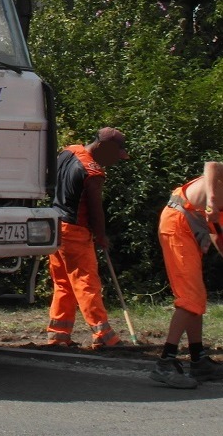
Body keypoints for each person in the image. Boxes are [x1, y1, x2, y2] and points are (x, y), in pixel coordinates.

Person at [45, 127, 128, 348]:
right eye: (114, 156)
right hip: (75, 231)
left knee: (63, 283)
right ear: (102, 147)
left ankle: (58, 335)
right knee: (86, 283)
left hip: (54, 226)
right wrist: (101, 236)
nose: (114, 161)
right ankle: (103, 335)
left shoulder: (67, 152)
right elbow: (95, 209)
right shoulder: (92, 173)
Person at [148, 160, 223, 388]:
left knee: (197, 296)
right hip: (178, 221)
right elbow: (213, 165)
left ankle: (199, 360)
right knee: (190, 297)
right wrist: (211, 199)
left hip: (193, 226)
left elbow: (219, 235)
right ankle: (164, 364)